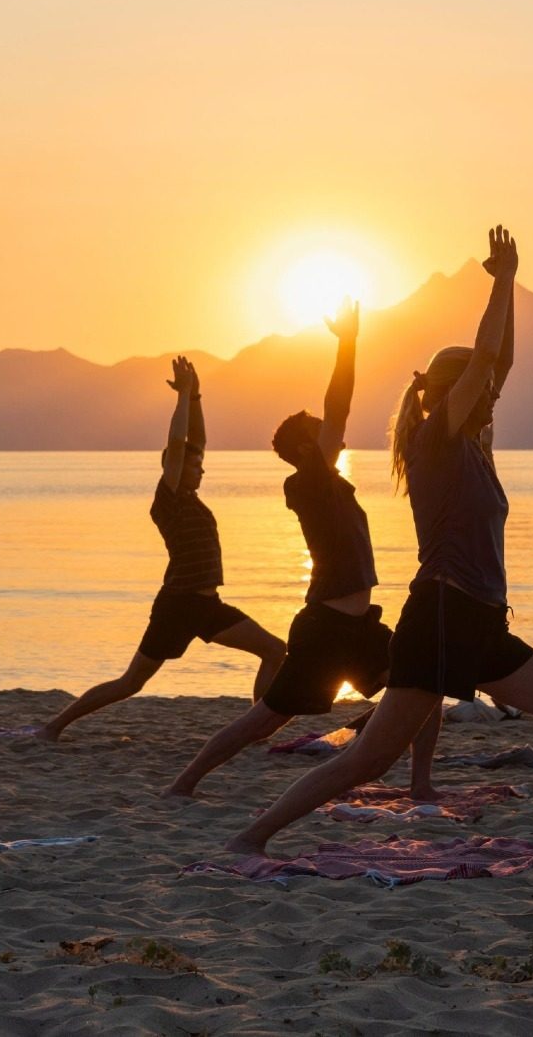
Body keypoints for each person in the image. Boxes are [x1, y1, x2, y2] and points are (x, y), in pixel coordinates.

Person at [224, 227, 533, 866]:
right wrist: (501, 280)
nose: (493, 397)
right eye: (481, 390)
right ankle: (252, 836)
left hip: (483, 623)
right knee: (368, 759)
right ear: (458, 394)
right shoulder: (436, 441)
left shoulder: (475, 448)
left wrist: (511, 288)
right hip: (439, 617)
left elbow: (498, 363)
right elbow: (487, 362)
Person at [168, 301, 439, 798]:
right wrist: (348, 343)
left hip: (361, 626)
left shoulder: (332, 483)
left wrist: (421, 398)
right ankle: (184, 783)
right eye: (319, 431)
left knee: (424, 689)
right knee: (264, 721)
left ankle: (421, 787)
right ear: (303, 449)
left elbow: (342, 418)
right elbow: (339, 405)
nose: (331, 433)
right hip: (324, 631)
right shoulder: (309, 481)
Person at [38, 356, 285, 741]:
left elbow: (196, 442)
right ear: (173, 467)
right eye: (193, 466)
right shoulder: (168, 498)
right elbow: (178, 442)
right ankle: (53, 726)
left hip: (207, 605)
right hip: (178, 606)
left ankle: (254, 733)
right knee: (131, 682)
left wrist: (198, 395)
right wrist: (182, 397)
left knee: (274, 650)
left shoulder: (192, 496)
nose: (201, 469)